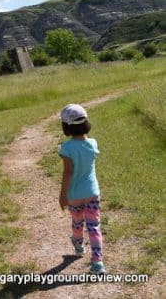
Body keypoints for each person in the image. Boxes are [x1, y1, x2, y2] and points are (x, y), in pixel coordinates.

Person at [58, 104, 105, 274]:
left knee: (77, 222)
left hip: (75, 195)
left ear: (66, 126)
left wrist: (62, 195)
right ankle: (98, 262)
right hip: (92, 193)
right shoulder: (93, 143)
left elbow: (68, 173)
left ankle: (78, 247)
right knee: (94, 227)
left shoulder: (66, 148)